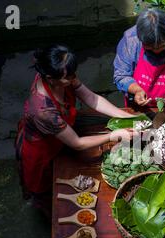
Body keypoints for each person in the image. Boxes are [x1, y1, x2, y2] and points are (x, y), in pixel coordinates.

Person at [15, 44, 137, 218]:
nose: (73, 79)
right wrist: (113, 135)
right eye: (68, 78)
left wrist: (122, 115)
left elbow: (91, 98)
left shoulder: (63, 74)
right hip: (43, 150)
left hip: (63, 133)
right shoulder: (43, 110)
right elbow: (77, 143)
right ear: (50, 78)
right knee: (49, 193)